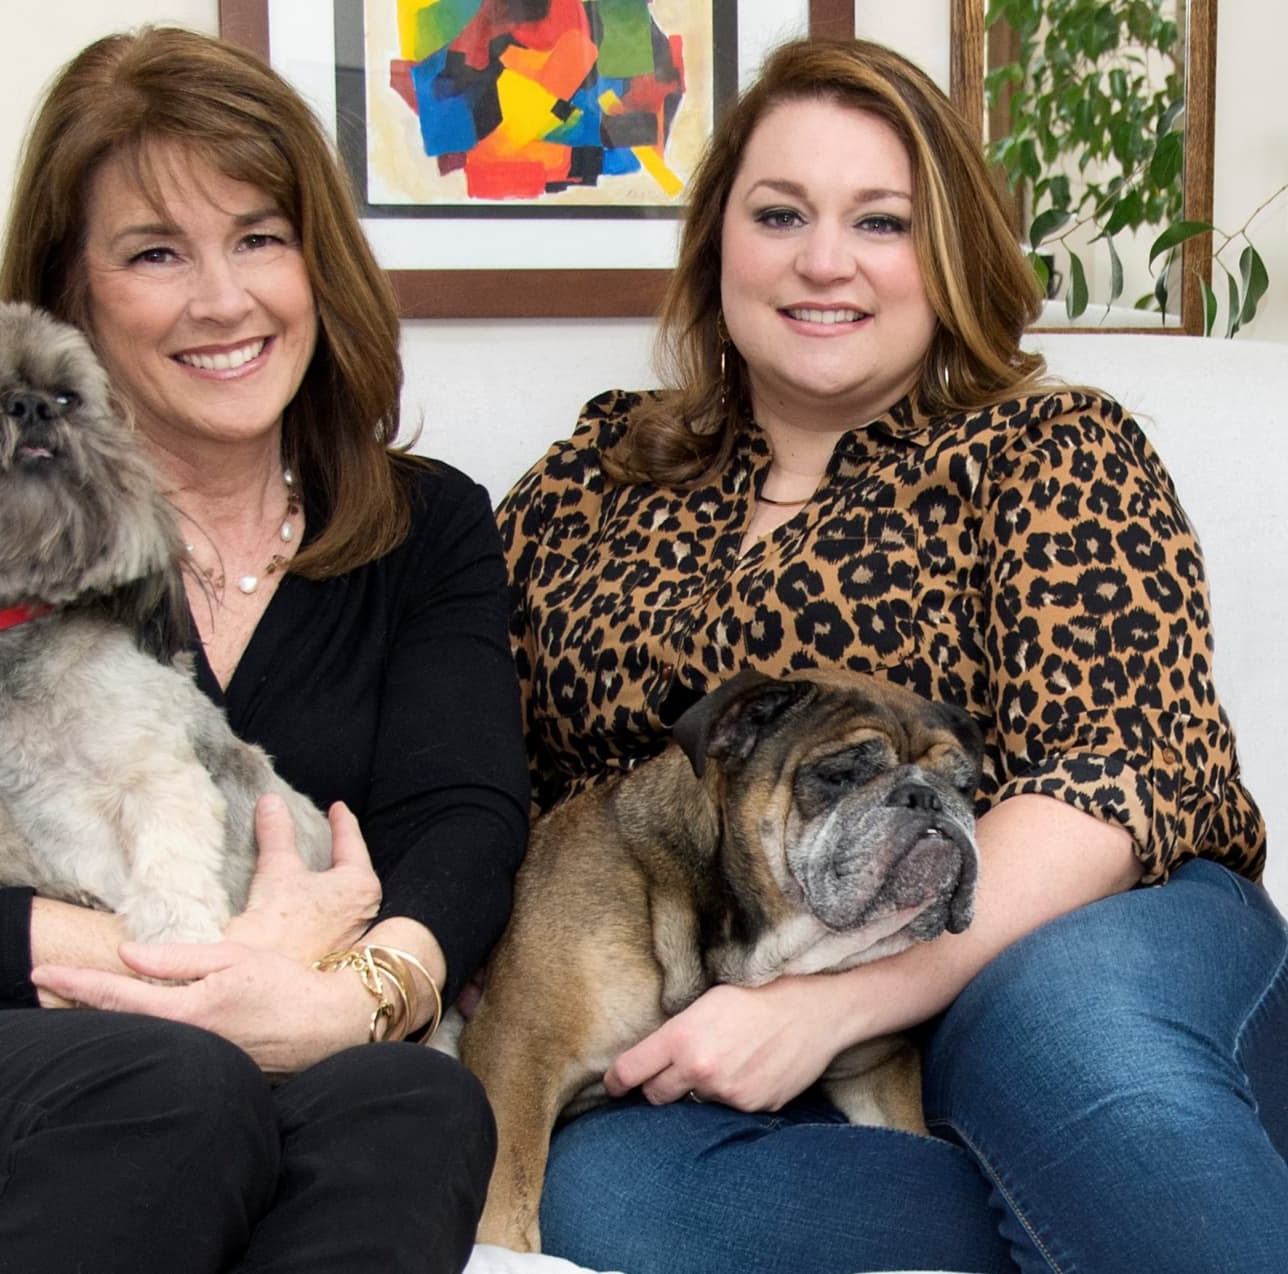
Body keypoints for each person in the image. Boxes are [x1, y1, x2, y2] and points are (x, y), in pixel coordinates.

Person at [497, 37, 1287, 1274]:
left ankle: (1124, 1156)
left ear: (949, 252)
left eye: (882, 221)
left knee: (1082, 1052)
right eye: (780, 214)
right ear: (716, 246)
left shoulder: (1049, 449)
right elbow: (477, 758)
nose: (825, 261)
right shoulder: (586, 485)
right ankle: (1103, 1192)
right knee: (616, 1198)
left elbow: (1121, 773)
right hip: (720, 989)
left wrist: (824, 1011)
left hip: (1064, 937)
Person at [0, 26, 530, 1274]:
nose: (222, 299)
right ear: (71, 298)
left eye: (259, 238)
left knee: (419, 1103)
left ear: (316, 261)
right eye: (156, 252)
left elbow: (461, 824)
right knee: (176, 1085)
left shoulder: (424, 522)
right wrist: (219, 965)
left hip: (224, 1048)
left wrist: (346, 996)